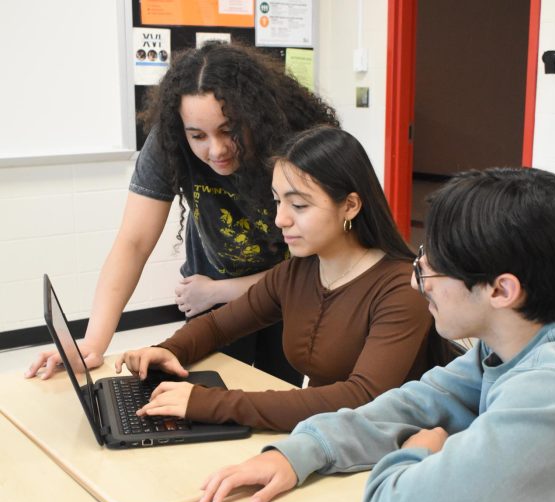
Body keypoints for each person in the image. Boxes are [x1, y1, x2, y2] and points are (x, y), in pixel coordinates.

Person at [197, 167, 555, 502]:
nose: (419, 285)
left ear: (502, 290)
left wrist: (415, 454)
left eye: (433, 270)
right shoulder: (510, 343)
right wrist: (301, 452)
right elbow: (419, 402)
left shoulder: (554, 391)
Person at [25, 42, 339, 385]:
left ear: (255, 117)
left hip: (286, 292)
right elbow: (133, 243)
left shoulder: (295, 143)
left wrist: (219, 291)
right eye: (198, 136)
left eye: (228, 131)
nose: (216, 150)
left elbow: (315, 263)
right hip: (210, 292)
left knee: (274, 390)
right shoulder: (169, 142)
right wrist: (93, 342)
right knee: (208, 391)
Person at [114, 126, 453, 432]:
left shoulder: (401, 288)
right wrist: (168, 350)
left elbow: (361, 397)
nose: (280, 220)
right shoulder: (298, 270)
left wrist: (208, 402)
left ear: (350, 206)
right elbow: (219, 326)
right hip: (327, 438)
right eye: (277, 202)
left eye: (299, 206)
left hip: (396, 449)